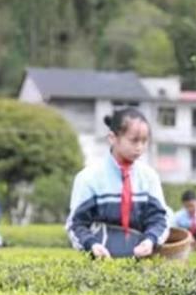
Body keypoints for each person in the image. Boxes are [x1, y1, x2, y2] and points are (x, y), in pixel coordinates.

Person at [66, 107, 171, 259]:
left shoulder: (149, 177)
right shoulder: (88, 178)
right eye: (134, 140)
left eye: (144, 141)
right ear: (113, 138)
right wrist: (92, 245)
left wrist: (150, 240)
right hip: (99, 266)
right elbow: (76, 224)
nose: (140, 147)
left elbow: (160, 219)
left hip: (143, 265)